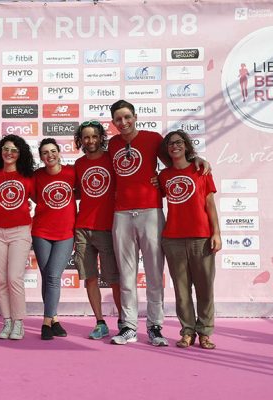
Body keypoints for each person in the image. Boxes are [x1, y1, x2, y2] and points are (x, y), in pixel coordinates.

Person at [107, 99, 210, 346]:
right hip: (121, 213)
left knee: (154, 273)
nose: (123, 123)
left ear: (135, 116)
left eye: (127, 117)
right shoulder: (112, 144)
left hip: (150, 212)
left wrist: (198, 160)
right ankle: (129, 326)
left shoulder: (153, 138)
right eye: (118, 119)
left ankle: (155, 326)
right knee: (127, 274)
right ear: (113, 123)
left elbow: (178, 160)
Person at [159, 129, 221, 349]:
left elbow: (210, 205)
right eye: (170, 144)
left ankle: (204, 332)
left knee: (205, 288)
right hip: (173, 239)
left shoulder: (201, 171)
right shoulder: (163, 176)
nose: (174, 146)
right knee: (181, 290)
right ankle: (187, 331)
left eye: (178, 142)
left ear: (186, 145)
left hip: (201, 238)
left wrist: (216, 233)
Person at [73, 121, 122, 340]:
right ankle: (100, 322)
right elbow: (72, 191)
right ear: (80, 140)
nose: (90, 141)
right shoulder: (78, 163)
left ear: (101, 138)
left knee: (114, 279)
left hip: (107, 227)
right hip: (83, 227)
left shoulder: (112, 159)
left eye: (94, 136)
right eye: (86, 137)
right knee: (89, 278)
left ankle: (123, 321)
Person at [0, 134, 35, 340]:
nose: (9, 153)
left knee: (14, 277)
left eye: (14, 150)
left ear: (20, 154)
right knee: (1, 278)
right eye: (5, 149)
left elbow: (41, 199)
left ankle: (19, 322)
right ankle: (6, 321)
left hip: (20, 231)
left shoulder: (27, 177)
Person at [32, 138, 76, 340]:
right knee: (47, 275)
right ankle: (55, 320)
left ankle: (46, 322)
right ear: (41, 157)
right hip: (41, 232)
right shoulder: (37, 176)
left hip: (65, 233)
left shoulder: (71, 172)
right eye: (45, 153)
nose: (49, 155)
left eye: (53, 151)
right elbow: (34, 197)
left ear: (59, 152)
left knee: (52, 276)